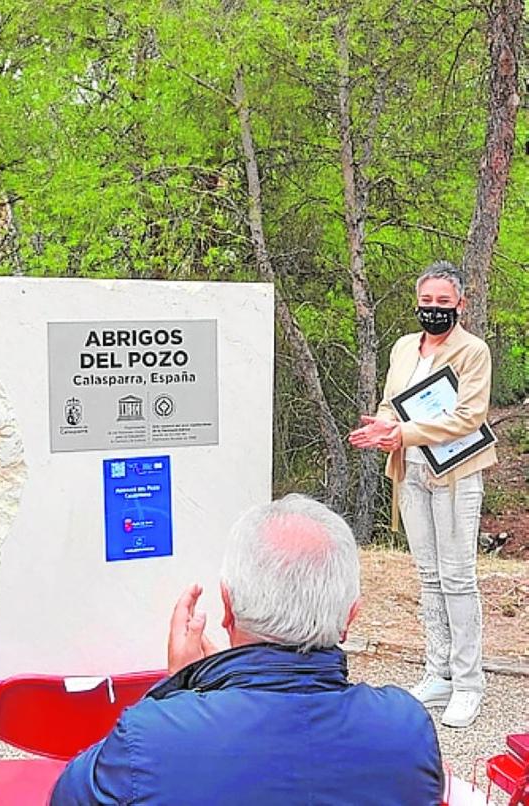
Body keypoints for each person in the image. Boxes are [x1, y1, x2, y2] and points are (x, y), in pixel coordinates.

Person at [51, 495, 444, 806]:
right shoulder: (406, 731)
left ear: (227, 607)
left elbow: (64, 796)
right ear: (350, 617)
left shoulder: (150, 736)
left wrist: (179, 688)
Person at [349, 261, 496, 729]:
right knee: (428, 575)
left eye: (443, 302)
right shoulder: (402, 348)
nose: (434, 310)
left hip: (455, 474)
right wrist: (381, 426)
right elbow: (392, 403)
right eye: (427, 302)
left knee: (458, 577)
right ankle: (439, 672)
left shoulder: (473, 352)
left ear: (460, 305)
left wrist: (404, 432)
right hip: (408, 470)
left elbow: (468, 417)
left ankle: (469, 682)